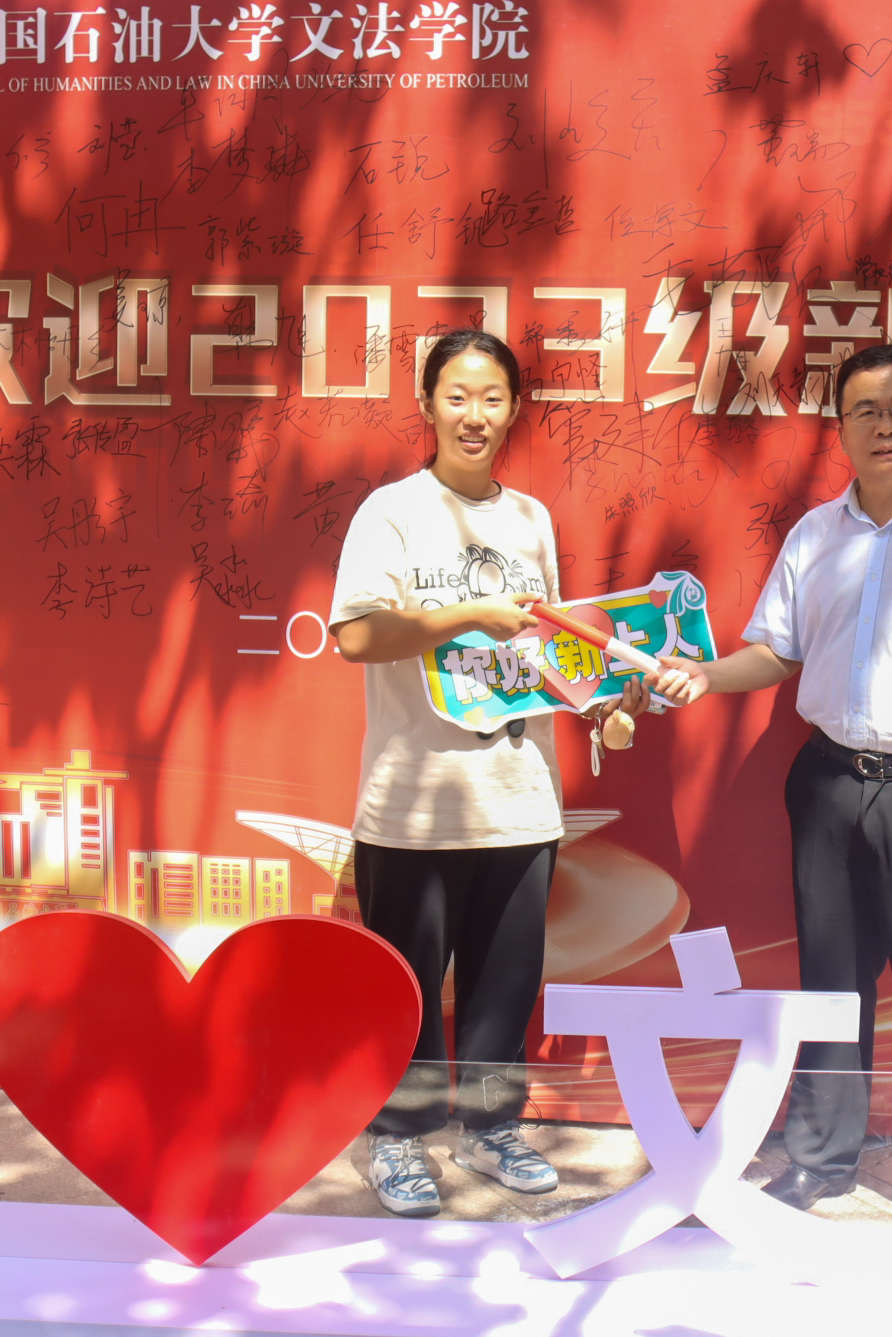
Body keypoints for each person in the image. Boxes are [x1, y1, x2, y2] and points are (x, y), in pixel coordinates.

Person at [651, 342, 892, 1222]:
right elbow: (775, 654)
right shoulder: (815, 535)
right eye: (865, 411)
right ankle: (821, 1158)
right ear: (841, 431)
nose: (885, 426)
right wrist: (704, 676)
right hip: (828, 782)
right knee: (830, 982)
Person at [328, 328, 646, 1219]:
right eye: (457, 396)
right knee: (408, 990)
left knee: (505, 984)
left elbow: (547, 650)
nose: (475, 415)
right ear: (428, 405)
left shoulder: (530, 521)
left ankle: (489, 1127)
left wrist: (601, 702)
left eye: (493, 398)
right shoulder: (391, 512)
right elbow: (356, 635)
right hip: (413, 805)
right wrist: (465, 614)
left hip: (519, 797)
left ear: (513, 410)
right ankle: (398, 1138)